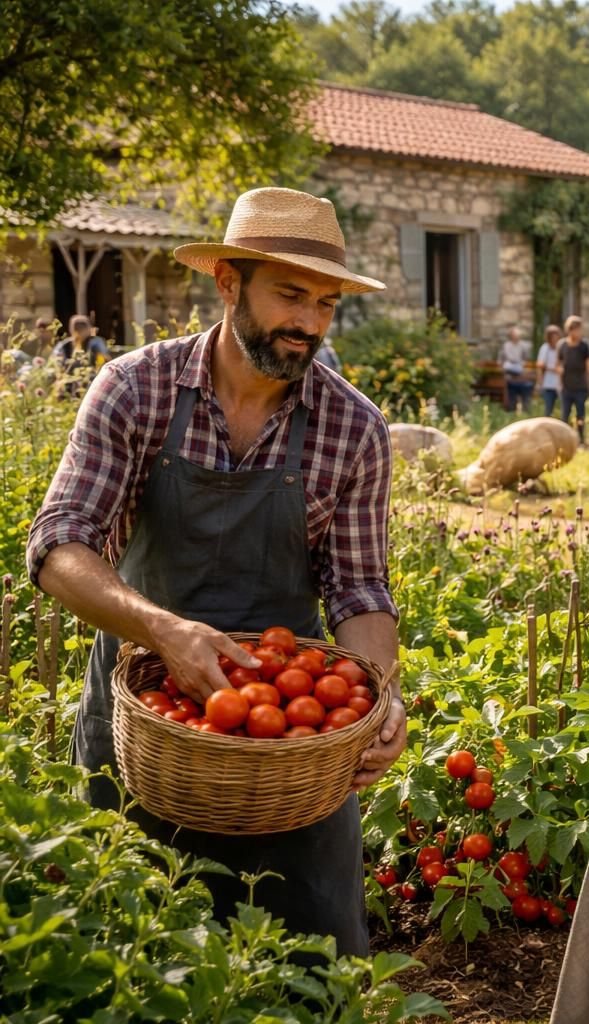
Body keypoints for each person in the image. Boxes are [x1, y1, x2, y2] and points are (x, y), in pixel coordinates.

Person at [26, 186, 406, 954]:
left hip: (288, 740)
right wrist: (163, 632)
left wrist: (378, 695)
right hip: (148, 715)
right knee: (127, 955)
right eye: (290, 295)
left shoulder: (353, 426)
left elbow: (359, 587)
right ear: (228, 283)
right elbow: (60, 545)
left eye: (327, 304)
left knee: (313, 964)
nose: (309, 323)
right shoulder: (137, 389)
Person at [557, 315, 589, 444]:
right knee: (564, 416)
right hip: (566, 386)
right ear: (570, 330)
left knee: (580, 415)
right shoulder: (562, 345)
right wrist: (560, 379)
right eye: (575, 329)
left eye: (579, 329)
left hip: (580, 387)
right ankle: (563, 440)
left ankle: (581, 439)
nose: (578, 332)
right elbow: (559, 363)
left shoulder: (584, 346)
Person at [52, 315, 112, 394]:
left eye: (81, 328)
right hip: (69, 386)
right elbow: (57, 366)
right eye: (77, 328)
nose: (79, 332)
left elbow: (104, 362)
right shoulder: (64, 346)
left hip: (92, 384)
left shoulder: (95, 343)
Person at [498, 324, 533, 413]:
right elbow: (500, 361)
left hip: (522, 378)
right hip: (510, 378)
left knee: (525, 402)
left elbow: (527, 360)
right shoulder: (506, 346)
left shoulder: (523, 346)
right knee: (511, 402)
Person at [535, 324, 562, 416]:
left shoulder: (561, 347)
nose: (555, 338)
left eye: (556, 336)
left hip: (561, 384)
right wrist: (539, 382)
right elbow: (540, 365)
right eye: (553, 336)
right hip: (548, 383)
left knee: (564, 409)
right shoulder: (545, 348)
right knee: (548, 410)